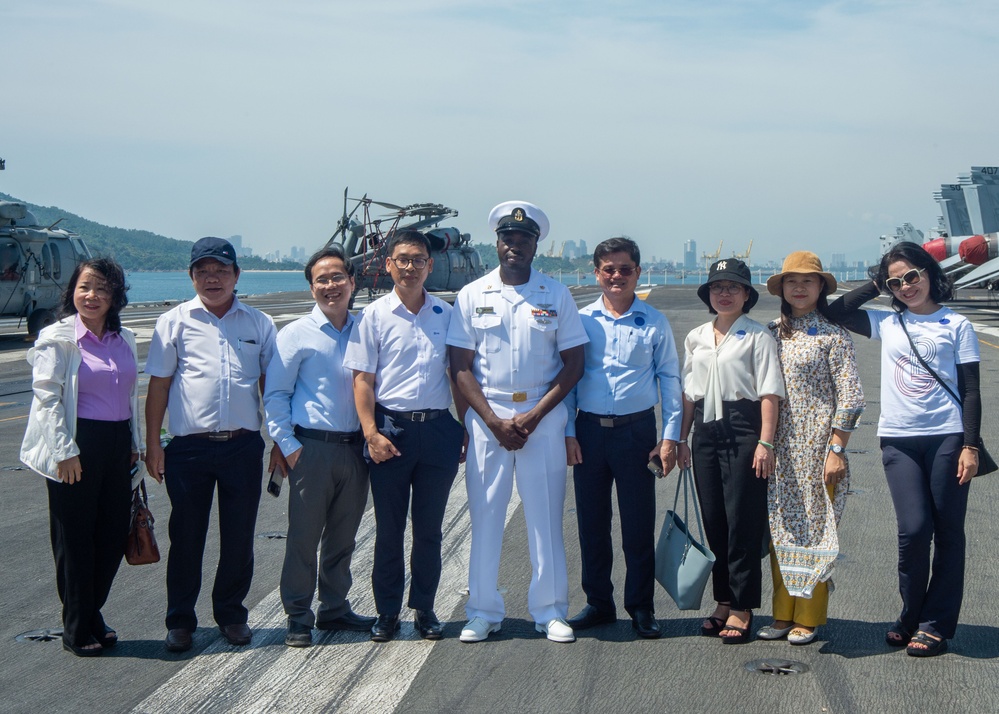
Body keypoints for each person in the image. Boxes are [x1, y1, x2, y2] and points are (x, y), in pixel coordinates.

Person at [827, 241, 980, 657]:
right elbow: (834, 312)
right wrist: (876, 284)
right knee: (913, 531)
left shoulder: (956, 324)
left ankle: (935, 624)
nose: (906, 286)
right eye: (896, 281)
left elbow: (970, 390)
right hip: (898, 439)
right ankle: (911, 614)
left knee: (948, 533)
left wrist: (970, 445)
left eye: (912, 275)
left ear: (929, 272)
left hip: (948, 438)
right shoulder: (887, 322)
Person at [447, 201, 588, 644]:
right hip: (488, 418)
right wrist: (489, 421)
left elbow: (574, 364)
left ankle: (549, 611)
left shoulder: (556, 294)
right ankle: (483, 610)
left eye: (524, 239)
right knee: (485, 516)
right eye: (508, 238)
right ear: (497, 243)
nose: (515, 245)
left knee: (545, 518)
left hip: (541, 419)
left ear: (535, 244)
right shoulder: (472, 295)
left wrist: (533, 416)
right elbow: (460, 366)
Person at [145, 237, 277, 653]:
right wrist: (153, 444)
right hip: (189, 449)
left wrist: (278, 441)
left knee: (239, 535)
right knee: (186, 536)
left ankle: (232, 614)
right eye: (203, 271)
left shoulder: (258, 323)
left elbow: (270, 387)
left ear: (237, 275)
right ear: (191, 276)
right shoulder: (174, 322)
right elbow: (159, 387)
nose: (212, 278)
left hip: (243, 446)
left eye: (221, 270)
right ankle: (180, 621)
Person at [343, 229, 464, 643]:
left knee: (429, 529)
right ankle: (387, 611)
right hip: (390, 430)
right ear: (388, 265)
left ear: (430, 265)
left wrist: (463, 428)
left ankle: (425, 608)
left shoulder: (447, 315)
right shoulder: (374, 316)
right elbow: (362, 380)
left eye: (418, 260)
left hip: (437, 429)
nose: (410, 267)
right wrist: (371, 433)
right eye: (403, 260)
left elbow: (459, 375)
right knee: (389, 529)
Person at [20, 258, 143, 656]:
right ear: (72, 290)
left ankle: (90, 611)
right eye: (85, 286)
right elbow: (47, 399)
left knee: (110, 539)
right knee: (74, 541)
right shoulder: (57, 338)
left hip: (117, 444)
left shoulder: (123, 340)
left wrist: (136, 445)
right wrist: (65, 451)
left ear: (115, 297)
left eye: (103, 289)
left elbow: (129, 397)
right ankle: (78, 626)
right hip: (75, 443)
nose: (92, 296)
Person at [564, 237, 682, 639]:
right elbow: (569, 380)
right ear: (596, 273)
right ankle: (598, 602)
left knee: (637, 524)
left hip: (637, 432)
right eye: (609, 269)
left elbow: (670, 378)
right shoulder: (580, 321)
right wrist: (567, 432)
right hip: (590, 431)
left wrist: (669, 438)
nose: (617, 276)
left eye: (625, 269)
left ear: (638, 272)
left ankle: (641, 607)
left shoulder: (653, 321)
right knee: (592, 524)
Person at [264, 246, 375, 648]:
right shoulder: (295, 334)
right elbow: (276, 395)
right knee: (303, 537)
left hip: (356, 449)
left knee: (344, 535)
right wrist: (289, 446)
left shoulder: (366, 328)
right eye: (321, 279)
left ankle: (334, 606)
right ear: (312, 287)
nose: (331, 285)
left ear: (352, 282)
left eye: (337, 277)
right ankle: (297, 614)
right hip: (311, 449)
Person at [758, 252, 865, 646]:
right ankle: (782, 614)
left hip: (818, 449)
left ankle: (810, 615)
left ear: (821, 288)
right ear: (782, 289)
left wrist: (837, 448)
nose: (799, 288)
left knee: (818, 534)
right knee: (780, 531)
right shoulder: (769, 333)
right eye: (791, 281)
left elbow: (851, 397)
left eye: (808, 281)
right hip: (778, 452)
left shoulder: (834, 336)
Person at [676, 258, 784, 644]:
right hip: (705, 429)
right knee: (715, 521)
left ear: (746, 295)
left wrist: (765, 442)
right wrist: (681, 439)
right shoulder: (696, 337)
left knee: (742, 521)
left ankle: (741, 606)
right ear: (709, 294)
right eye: (717, 287)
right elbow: (689, 393)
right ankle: (722, 600)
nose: (724, 293)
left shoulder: (758, 336)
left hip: (744, 426)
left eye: (733, 287)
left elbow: (770, 392)